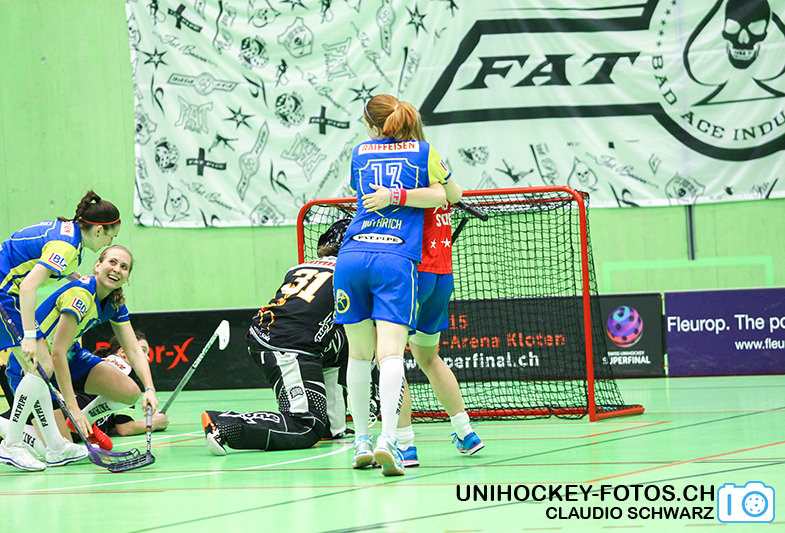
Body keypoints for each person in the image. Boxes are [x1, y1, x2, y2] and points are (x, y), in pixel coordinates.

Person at [334, 94, 450, 476]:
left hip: (351, 256)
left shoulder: (360, 153)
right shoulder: (424, 152)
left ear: (372, 126)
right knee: (391, 355)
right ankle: (389, 440)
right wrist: (400, 195)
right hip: (395, 258)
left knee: (357, 355)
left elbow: (363, 191)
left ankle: (361, 441)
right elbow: (447, 195)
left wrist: (387, 194)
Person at [363, 126, 484, 468]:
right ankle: (465, 432)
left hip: (413, 275)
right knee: (428, 357)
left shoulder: (404, 171)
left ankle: (405, 444)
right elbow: (454, 194)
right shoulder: (433, 162)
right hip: (442, 276)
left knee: (389, 358)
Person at [201, 219, 351, 454]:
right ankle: (224, 423)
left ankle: (332, 425)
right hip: (287, 345)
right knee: (305, 426)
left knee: (341, 344)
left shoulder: (298, 268)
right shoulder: (351, 271)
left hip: (274, 332)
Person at [2, 245, 159, 470]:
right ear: (98, 266)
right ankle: (6, 427)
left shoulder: (114, 303)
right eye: (112, 262)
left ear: (127, 277)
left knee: (130, 392)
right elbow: (56, 353)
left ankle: (80, 420)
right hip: (33, 364)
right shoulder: (81, 294)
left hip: (71, 357)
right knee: (56, 450)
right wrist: (73, 408)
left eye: (124, 267)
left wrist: (149, 389)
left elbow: (133, 350)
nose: (117, 269)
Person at [0, 191, 121, 471]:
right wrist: (29, 335)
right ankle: (11, 445)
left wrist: (72, 276)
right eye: (111, 236)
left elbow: (40, 256)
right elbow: (28, 286)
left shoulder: (71, 236)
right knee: (41, 365)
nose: (110, 242)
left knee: (41, 370)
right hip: (5, 293)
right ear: (99, 230)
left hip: (8, 290)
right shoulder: (67, 247)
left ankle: (55, 446)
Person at [75, 332, 168, 438]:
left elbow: (110, 423)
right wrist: (154, 422)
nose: (147, 358)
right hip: (74, 424)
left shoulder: (100, 364)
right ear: (123, 352)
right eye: (142, 351)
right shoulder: (126, 373)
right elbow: (125, 428)